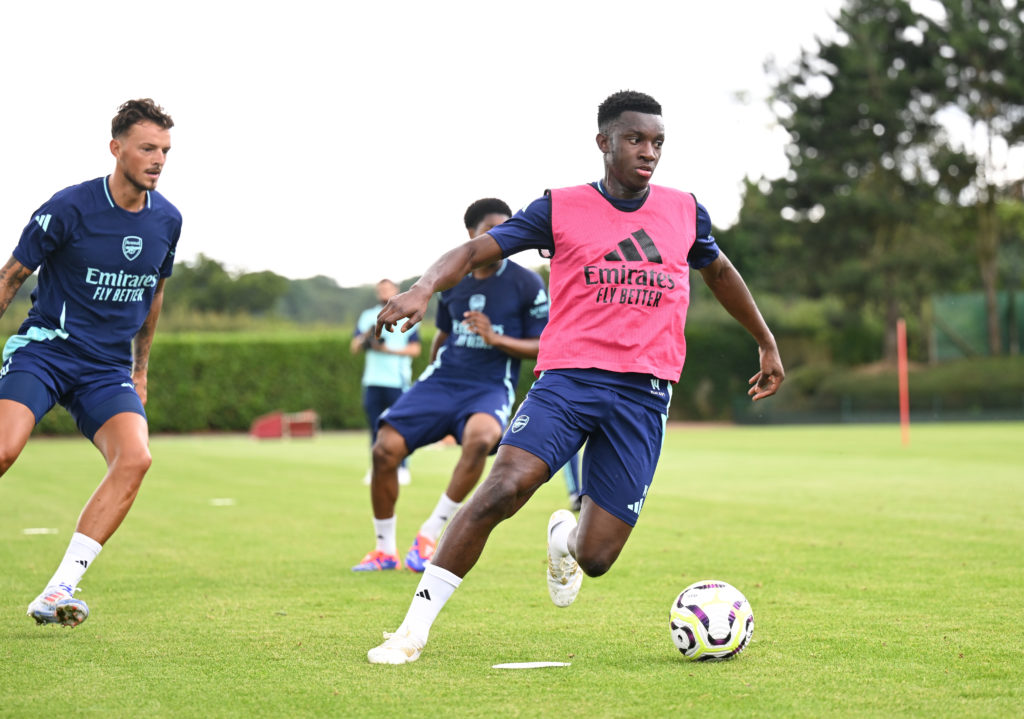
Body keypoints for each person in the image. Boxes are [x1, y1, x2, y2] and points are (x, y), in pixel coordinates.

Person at [366, 90, 784, 663]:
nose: (649, 151)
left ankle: (563, 537)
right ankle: (411, 631)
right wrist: (422, 286)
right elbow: (474, 251)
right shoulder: (558, 207)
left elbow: (720, 271)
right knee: (503, 488)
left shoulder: (685, 209)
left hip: (644, 394)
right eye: (635, 139)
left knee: (596, 557)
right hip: (568, 381)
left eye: (658, 142)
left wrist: (765, 341)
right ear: (604, 142)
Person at [0, 99, 181, 627]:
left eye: (165, 151)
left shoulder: (168, 219)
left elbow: (154, 296)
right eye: (147, 148)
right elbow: (11, 276)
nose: (158, 160)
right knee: (5, 449)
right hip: (47, 351)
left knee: (136, 459)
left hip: (106, 370)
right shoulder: (69, 206)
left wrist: (140, 370)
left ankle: (58, 591)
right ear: (116, 148)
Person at [352, 198, 549, 574]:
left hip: (489, 385)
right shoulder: (452, 278)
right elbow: (442, 334)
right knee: (384, 449)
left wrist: (494, 339)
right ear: (470, 236)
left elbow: (544, 343)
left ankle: (429, 535)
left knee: (481, 437)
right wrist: (430, 379)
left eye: (506, 230)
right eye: (491, 231)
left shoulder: (527, 282)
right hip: (442, 381)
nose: (500, 238)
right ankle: (383, 550)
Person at [351, 279, 421, 486]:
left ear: (396, 291)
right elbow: (354, 347)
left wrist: (388, 350)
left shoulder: (406, 315)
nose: (384, 292)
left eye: (388, 289)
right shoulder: (367, 316)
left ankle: (402, 468)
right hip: (373, 380)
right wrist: (366, 337)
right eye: (381, 289)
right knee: (375, 428)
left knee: (399, 427)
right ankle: (376, 468)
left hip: (397, 381)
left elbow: (415, 349)